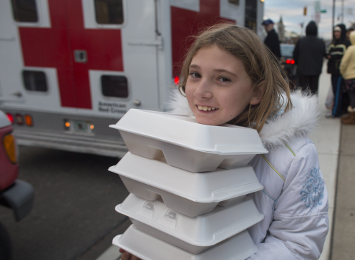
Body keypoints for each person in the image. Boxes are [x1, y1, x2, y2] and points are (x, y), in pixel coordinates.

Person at [119, 24, 329, 260]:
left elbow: (299, 244)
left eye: (222, 79)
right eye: (195, 74)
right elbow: (159, 207)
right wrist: (144, 244)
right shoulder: (173, 136)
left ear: (257, 92)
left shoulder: (294, 157)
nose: (201, 92)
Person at [293, 21, 327, 95]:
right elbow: (324, 54)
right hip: (315, 71)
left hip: (303, 70)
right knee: (314, 92)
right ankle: (313, 105)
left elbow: (295, 55)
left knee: (304, 92)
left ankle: (305, 106)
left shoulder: (301, 41)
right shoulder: (320, 42)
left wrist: (298, 64)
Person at [327, 24, 352, 118]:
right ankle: (335, 109)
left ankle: (336, 112)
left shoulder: (346, 43)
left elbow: (343, 57)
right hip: (333, 71)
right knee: (335, 91)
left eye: (338, 31)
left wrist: (333, 56)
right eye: (335, 31)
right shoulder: (333, 43)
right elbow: (327, 53)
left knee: (338, 92)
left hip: (340, 72)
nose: (336, 33)